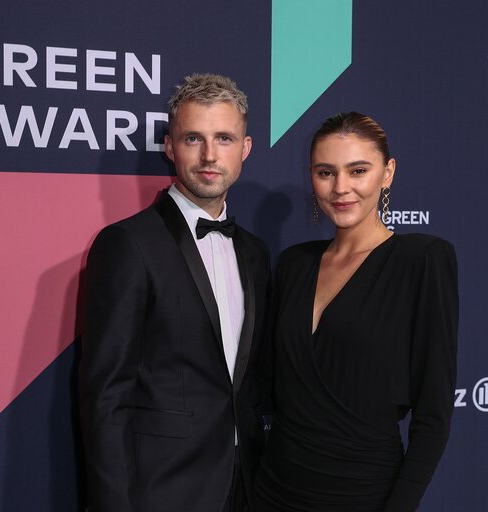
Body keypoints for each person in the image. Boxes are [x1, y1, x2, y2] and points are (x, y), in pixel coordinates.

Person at [79, 73, 270, 512]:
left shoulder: (256, 254)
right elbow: (105, 395)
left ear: (245, 149)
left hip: (247, 486)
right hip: (162, 490)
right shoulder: (127, 245)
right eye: (192, 139)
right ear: (169, 146)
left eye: (224, 138)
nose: (209, 155)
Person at [253, 112, 458, 512]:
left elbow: (433, 416)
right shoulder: (295, 263)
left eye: (358, 170)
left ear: (388, 173)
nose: (341, 188)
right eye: (325, 172)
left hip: (361, 493)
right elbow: (267, 387)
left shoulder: (423, 259)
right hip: (272, 490)